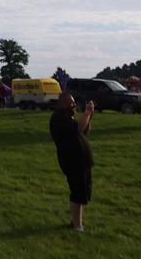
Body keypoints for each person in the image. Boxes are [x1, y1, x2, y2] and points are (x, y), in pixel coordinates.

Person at [49, 92, 94, 232]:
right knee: (77, 192)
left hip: (82, 160)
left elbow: (83, 131)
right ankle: (77, 226)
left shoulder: (68, 117)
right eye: (71, 102)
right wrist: (86, 113)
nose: (74, 104)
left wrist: (89, 116)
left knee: (84, 191)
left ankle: (76, 221)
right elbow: (78, 128)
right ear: (63, 104)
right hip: (72, 161)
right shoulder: (59, 118)